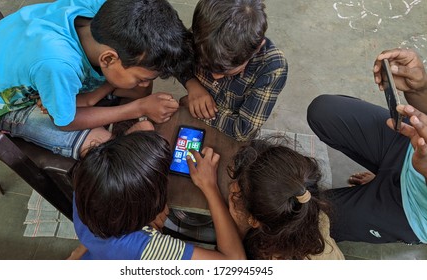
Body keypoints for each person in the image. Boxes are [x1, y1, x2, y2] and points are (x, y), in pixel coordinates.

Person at [0, 0, 192, 159]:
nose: (144, 82)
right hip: (0, 102)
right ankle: (107, 119)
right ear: (109, 58)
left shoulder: (106, 11)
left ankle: (89, 100)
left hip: (22, 59)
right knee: (101, 146)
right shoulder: (58, 65)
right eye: (141, 77)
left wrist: (93, 97)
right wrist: (137, 108)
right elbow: (65, 122)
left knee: (137, 89)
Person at [307, 48, 427, 244]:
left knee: (305, 219)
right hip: (409, 142)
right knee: (323, 111)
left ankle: (385, 194)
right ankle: (384, 175)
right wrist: (419, 89)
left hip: (410, 209)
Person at [69, 131, 245, 260]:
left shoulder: (87, 187)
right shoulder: (147, 248)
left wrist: (145, 214)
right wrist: (210, 187)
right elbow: (235, 264)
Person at [178, 0, 288, 141]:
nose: (215, 77)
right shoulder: (201, 37)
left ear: (258, 47)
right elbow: (177, 61)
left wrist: (198, 109)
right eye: (206, 67)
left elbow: (243, 130)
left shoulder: (272, 68)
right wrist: (192, 83)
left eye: (227, 71)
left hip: (230, 132)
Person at [226, 137, 344, 259]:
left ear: (254, 221)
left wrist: (239, 230)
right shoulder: (312, 212)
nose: (232, 187)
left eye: (239, 186)